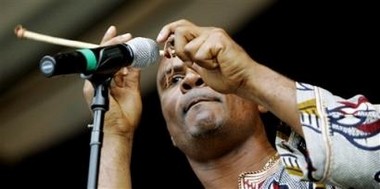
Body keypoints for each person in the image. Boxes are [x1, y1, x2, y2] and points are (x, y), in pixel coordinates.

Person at [83, 20, 380, 189]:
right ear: (170, 134)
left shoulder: (315, 163)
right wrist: (116, 135)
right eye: (173, 80)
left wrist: (250, 76)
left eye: (208, 71)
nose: (191, 81)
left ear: (258, 101)